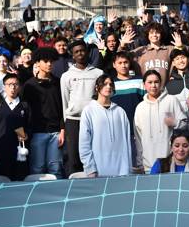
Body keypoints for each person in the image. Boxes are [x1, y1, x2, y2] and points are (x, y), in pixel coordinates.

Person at [60, 40, 104, 175]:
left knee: (95, 154)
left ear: (87, 52)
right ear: (73, 55)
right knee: (74, 157)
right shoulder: (66, 76)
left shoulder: (98, 73)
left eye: (82, 50)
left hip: (93, 119)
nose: (80, 53)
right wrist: (65, 122)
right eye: (76, 52)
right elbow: (65, 100)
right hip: (73, 121)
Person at [79, 75, 133, 177]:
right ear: (96, 88)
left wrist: (128, 168)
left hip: (122, 172)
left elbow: (127, 142)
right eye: (104, 84)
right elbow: (84, 143)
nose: (108, 86)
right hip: (98, 172)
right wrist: (90, 168)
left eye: (110, 84)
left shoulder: (120, 112)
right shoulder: (88, 111)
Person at [23, 47, 65, 178]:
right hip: (36, 132)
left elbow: (63, 107)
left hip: (56, 132)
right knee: (37, 169)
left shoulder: (59, 83)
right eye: (46, 61)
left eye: (51, 61)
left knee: (56, 168)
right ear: (37, 63)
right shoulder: (29, 85)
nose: (49, 64)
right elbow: (22, 111)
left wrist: (63, 130)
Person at [134, 70, 186, 172]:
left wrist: (175, 123)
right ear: (144, 85)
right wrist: (140, 162)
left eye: (156, 82)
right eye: (150, 82)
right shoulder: (140, 107)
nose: (153, 85)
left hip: (170, 163)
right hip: (148, 165)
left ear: (161, 83)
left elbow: (185, 125)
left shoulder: (171, 100)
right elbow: (138, 138)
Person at [0, 74, 31, 180]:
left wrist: (24, 135)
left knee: (20, 180)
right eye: (9, 84)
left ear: (19, 87)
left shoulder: (25, 106)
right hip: (2, 150)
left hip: (20, 151)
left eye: (15, 84)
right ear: (4, 87)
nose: (13, 87)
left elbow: (30, 126)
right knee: (2, 180)